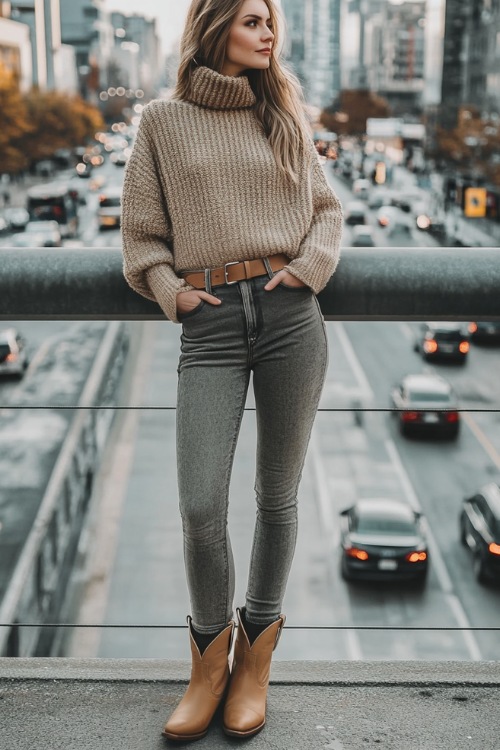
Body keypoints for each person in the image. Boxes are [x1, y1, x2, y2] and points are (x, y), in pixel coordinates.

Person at [121, 0, 343, 741]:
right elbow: (141, 236)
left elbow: (328, 211)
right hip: (209, 324)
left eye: (271, 22)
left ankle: (256, 659)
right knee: (198, 505)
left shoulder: (281, 114)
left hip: (289, 318)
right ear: (214, 26)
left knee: (277, 497)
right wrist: (167, 289)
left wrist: (310, 267)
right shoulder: (159, 121)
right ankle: (209, 663)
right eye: (252, 20)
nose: (268, 33)